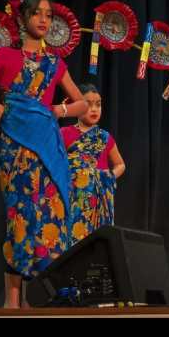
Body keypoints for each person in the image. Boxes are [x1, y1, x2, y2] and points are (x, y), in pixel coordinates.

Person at [0, 0, 88, 308]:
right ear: (22, 18)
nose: (44, 20)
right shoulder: (3, 56)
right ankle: (12, 300)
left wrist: (58, 111)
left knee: (50, 215)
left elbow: (81, 104)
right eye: (37, 14)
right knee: (20, 216)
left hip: (49, 148)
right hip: (14, 147)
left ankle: (37, 297)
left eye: (48, 15)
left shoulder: (56, 64)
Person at [60, 83, 125, 242]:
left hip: (99, 201)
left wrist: (108, 176)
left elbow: (120, 164)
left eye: (98, 104)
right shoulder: (64, 133)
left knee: (97, 243)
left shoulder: (105, 137)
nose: (94, 109)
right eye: (88, 104)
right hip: (73, 197)